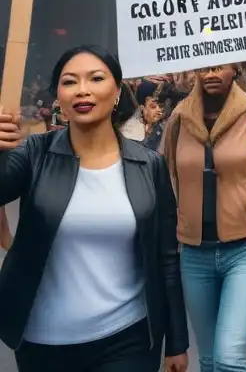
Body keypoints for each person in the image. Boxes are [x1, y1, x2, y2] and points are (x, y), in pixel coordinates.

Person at [0, 45, 188, 372]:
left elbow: (166, 257)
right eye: (70, 81)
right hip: (42, 341)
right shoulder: (34, 153)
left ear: (117, 92)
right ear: (58, 96)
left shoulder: (149, 165)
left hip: (127, 338)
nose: (83, 89)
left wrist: (176, 342)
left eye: (96, 78)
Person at [163, 63, 246, 372]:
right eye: (204, 68)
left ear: (235, 68)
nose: (211, 74)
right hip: (194, 253)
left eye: (219, 67)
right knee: (208, 359)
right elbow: (164, 171)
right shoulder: (179, 119)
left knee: (229, 358)